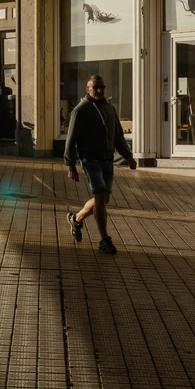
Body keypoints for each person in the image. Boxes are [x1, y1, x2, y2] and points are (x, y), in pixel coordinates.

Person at [64, 74, 137, 255]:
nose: (99, 90)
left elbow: (118, 135)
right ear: (87, 89)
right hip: (90, 160)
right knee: (99, 194)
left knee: (103, 199)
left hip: (107, 160)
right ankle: (104, 240)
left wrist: (128, 156)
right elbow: (70, 139)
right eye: (95, 87)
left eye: (102, 87)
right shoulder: (80, 110)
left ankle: (77, 218)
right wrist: (70, 165)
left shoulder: (110, 109)